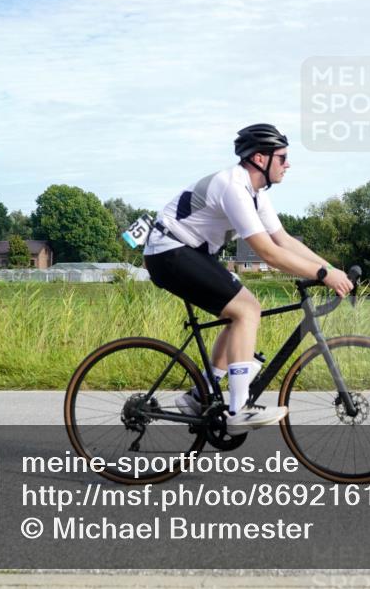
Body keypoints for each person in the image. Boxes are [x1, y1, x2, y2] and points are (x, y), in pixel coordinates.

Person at [142, 123, 353, 435]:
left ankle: (200, 395)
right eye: (282, 157)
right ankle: (238, 410)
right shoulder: (232, 187)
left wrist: (332, 271)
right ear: (259, 159)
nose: (288, 164)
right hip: (168, 251)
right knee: (246, 310)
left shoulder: (254, 194)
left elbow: (284, 241)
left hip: (190, 252)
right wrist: (323, 275)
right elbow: (269, 253)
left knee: (239, 312)